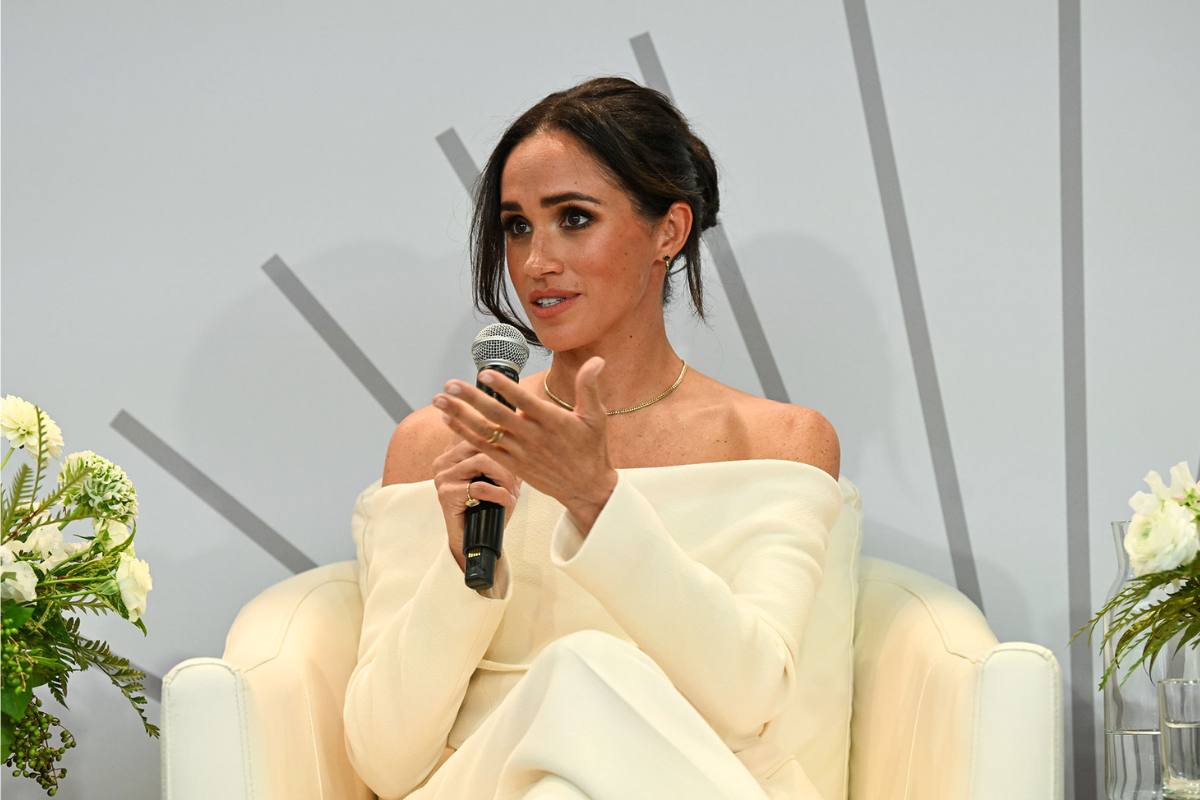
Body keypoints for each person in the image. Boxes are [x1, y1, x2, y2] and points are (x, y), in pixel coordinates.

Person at [343, 76, 843, 800]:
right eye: (518, 227)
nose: (536, 262)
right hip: (489, 784)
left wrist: (595, 499)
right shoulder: (442, 446)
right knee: (575, 680)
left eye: (573, 218)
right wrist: (461, 568)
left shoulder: (777, 442)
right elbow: (383, 761)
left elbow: (749, 698)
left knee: (586, 678)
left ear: (668, 231)